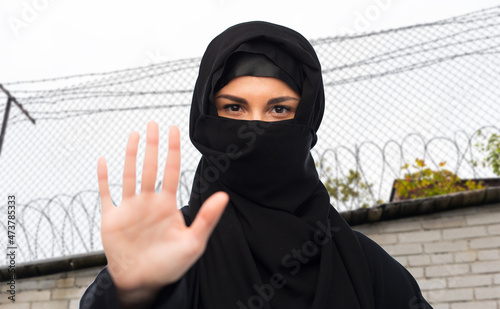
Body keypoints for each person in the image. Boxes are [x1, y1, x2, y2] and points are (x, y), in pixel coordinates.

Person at [80, 21, 432, 309]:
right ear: (205, 116)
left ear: (307, 119)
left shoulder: (364, 265)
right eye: (234, 108)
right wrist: (130, 291)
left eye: (279, 109)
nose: (256, 129)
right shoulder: (173, 249)